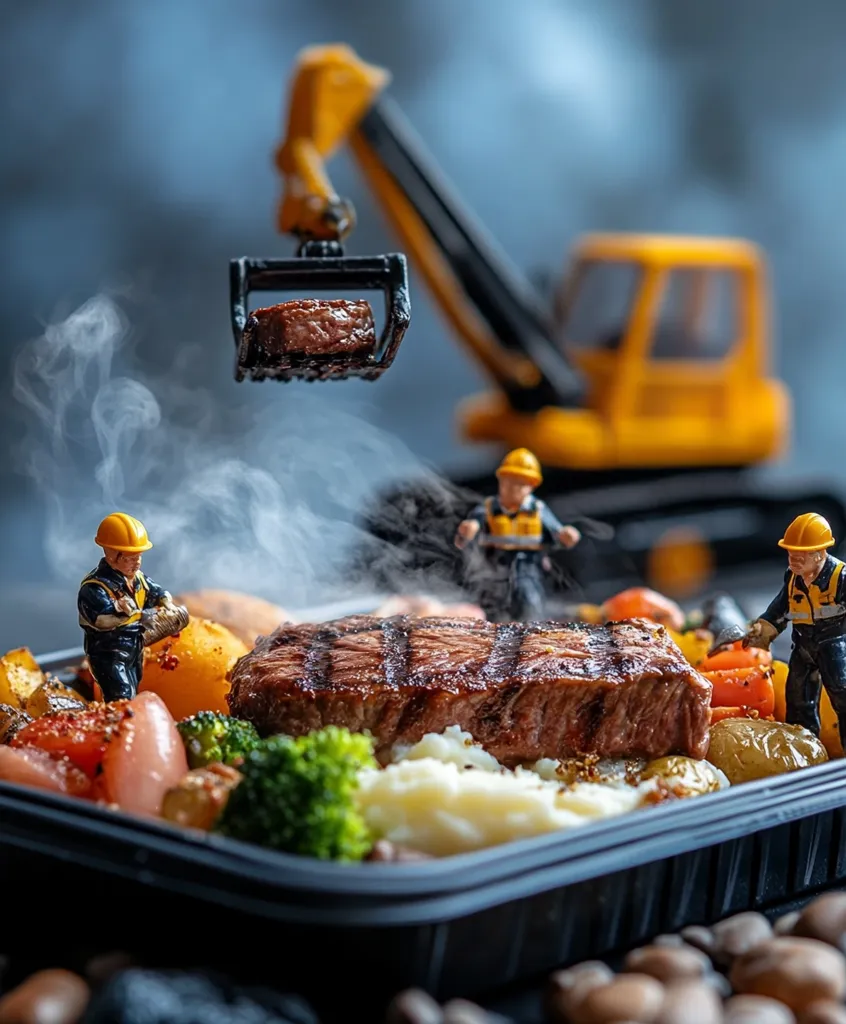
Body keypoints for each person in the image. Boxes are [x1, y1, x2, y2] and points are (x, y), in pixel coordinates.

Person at [743, 512, 846, 749]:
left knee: (842, 695)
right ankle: (806, 751)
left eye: (801, 555)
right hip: (803, 645)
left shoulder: (840, 579)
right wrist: (762, 631)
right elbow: (778, 610)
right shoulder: (793, 579)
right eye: (791, 554)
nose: (794, 560)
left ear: (820, 553)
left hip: (834, 644)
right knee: (798, 698)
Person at [454, 448, 581, 622]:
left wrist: (566, 535)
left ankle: (531, 632)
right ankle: (492, 630)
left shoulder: (538, 510)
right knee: (492, 600)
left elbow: (558, 532)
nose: (513, 488)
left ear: (532, 486)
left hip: (527, 565)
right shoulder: (489, 508)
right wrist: (468, 530)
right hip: (494, 563)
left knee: (529, 599)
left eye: (520, 484)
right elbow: (474, 524)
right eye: (508, 482)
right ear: (500, 481)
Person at [78, 512, 175, 702]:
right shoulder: (95, 587)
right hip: (108, 653)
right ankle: (115, 731)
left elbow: (158, 592)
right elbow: (101, 620)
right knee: (120, 697)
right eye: (130, 558)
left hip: (134, 648)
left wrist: (167, 603)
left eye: (139, 556)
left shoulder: (138, 579)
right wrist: (127, 613)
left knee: (132, 691)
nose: (137, 562)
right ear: (112, 555)